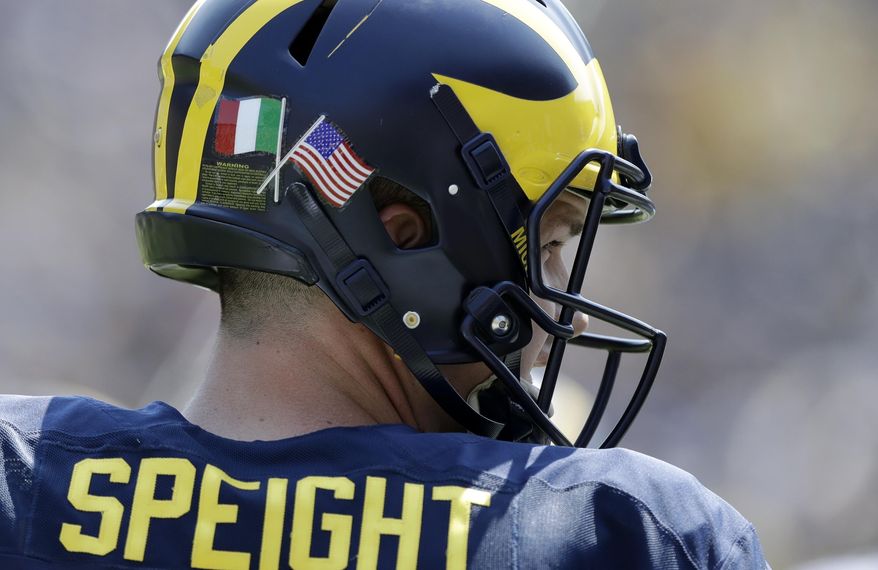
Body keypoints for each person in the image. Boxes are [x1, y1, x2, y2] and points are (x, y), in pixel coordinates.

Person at [0, 0, 769, 568]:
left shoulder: (26, 490)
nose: (553, 310)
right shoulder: (620, 535)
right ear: (405, 234)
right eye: (554, 238)